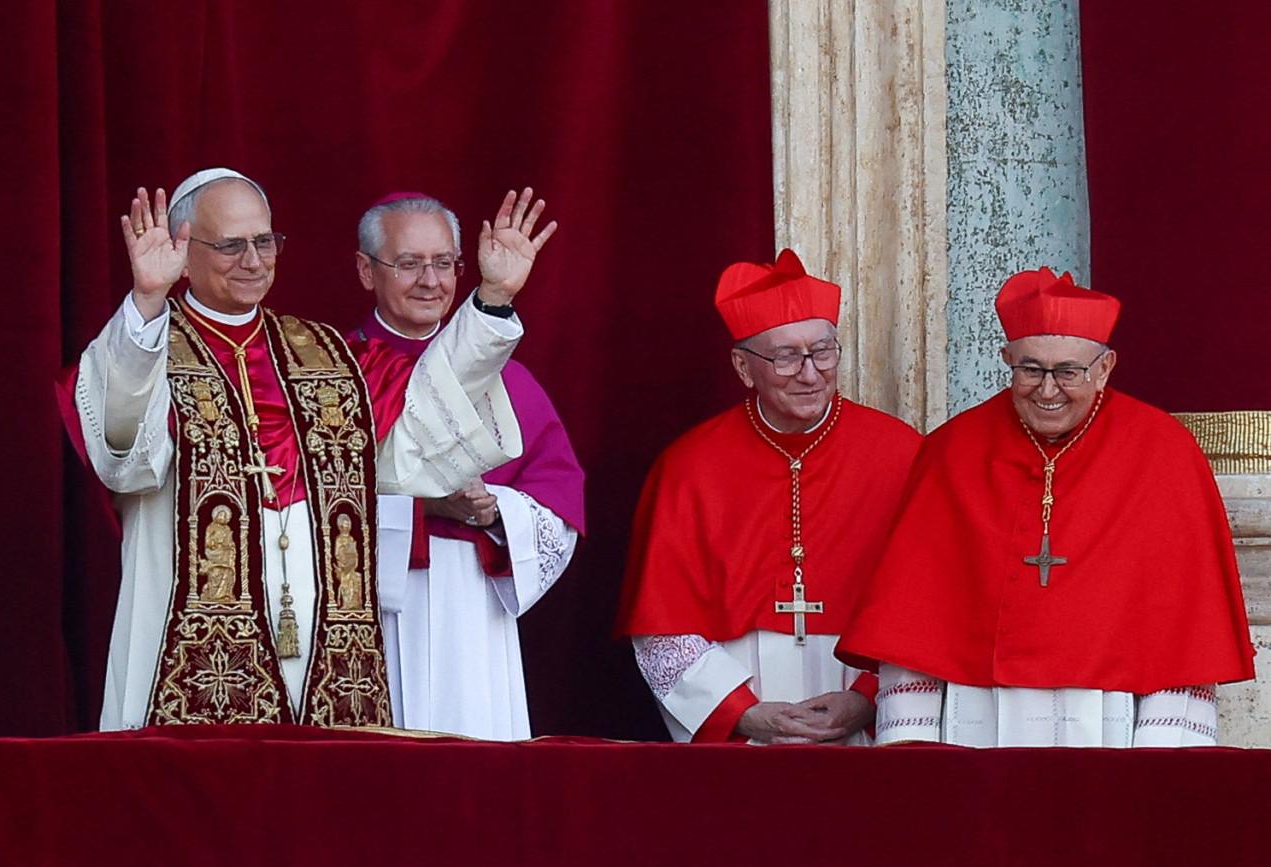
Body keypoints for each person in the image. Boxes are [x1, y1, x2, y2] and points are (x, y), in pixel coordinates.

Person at [72, 168, 554, 730]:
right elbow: (123, 446)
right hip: (186, 646)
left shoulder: (327, 355)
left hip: (322, 648)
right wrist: (148, 300)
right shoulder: (144, 344)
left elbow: (430, 410)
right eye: (230, 245)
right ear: (181, 253)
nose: (253, 261)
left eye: (264, 241)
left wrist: (493, 299)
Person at [836, 267, 1256, 747]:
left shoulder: (1163, 451)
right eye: (1031, 370)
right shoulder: (952, 450)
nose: (1048, 389)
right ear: (1007, 359)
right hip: (977, 723)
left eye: (1068, 372)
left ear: (1105, 367)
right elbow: (912, 616)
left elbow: (1183, 626)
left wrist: (1162, 758)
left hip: (1114, 721)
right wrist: (910, 745)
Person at [615, 250, 921, 743]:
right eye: (786, 357)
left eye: (823, 352)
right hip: (741, 712)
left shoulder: (902, 453)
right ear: (743, 366)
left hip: (868, 707)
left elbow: (928, 606)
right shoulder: (689, 467)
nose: (809, 373)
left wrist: (868, 697)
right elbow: (662, 629)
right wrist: (740, 713)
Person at [351, 192, 585, 740]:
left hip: (472, 607)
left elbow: (559, 499)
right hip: (369, 607)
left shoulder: (510, 382)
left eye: (443, 263)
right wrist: (424, 508)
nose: (430, 281)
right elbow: (307, 502)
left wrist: (493, 510)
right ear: (366, 270)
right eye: (409, 263)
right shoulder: (335, 373)